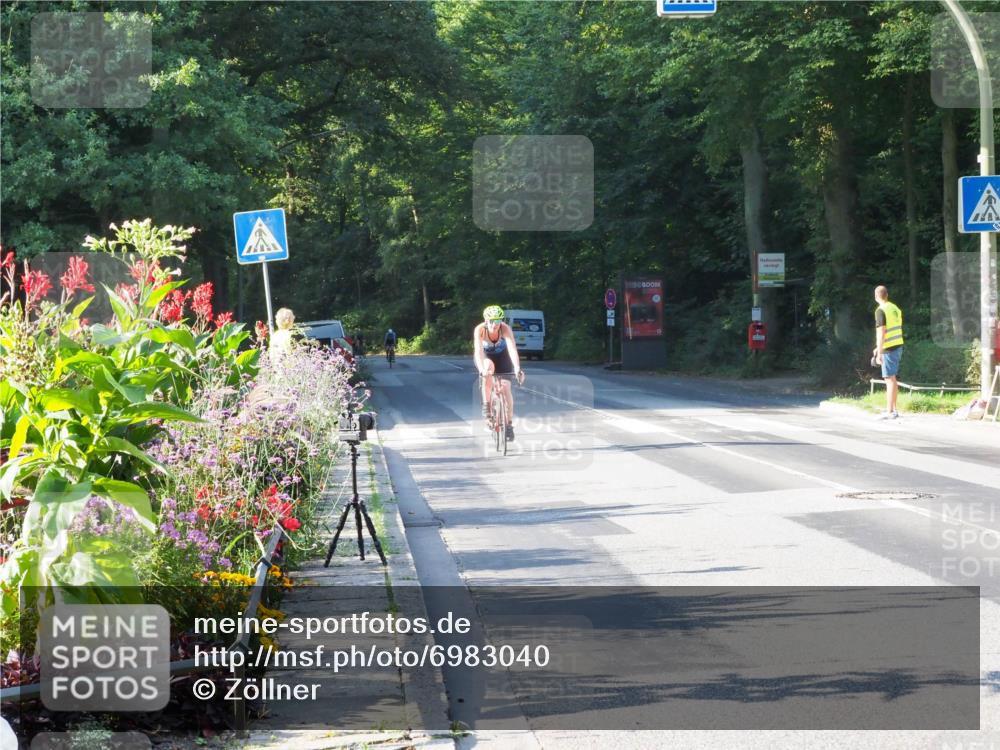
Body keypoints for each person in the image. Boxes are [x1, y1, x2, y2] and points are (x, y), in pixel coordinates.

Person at [474, 305, 525, 442]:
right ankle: (487, 405)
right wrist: (481, 370)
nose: (494, 324)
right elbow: (478, 352)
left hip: (503, 358)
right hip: (486, 358)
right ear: (486, 320)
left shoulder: (505, 328)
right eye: (491, 321)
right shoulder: (480, 330)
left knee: (506, 387)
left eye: (498, 321)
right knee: (488, 370)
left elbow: (512, 349)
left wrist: (517, 368)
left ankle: (508, 424)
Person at [872, 285, 904, 419]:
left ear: (876, 296)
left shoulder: (880, 310)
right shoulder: (894, 308)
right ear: (887, 295)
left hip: (888, 348)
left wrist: (879, 353)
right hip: (898, 345)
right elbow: (895, 328)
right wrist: (877, 348)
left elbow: (882, 332)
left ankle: (890, 411)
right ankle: (894, 409)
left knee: (889, 379)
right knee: (893, 378)